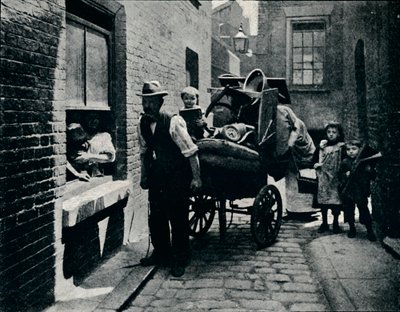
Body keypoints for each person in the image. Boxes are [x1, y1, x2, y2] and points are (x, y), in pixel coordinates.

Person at [137, 80, 202, 277]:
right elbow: (144, 152)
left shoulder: (174, 122)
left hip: (177, 175)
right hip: (157, 176)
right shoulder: (142, 123)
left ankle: (181, 258)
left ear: (160, 102)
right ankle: (161, 252)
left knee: (177, 217)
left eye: (151, 102)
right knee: (156, 216)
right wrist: (144, 176)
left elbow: (191, 152)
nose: (147, 106)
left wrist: (196, 178)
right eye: (144, 102)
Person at [338, 139, 377, 241]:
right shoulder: (345, 162)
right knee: (349, 211)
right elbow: (339, 175)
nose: (351, 151)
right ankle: (352, 228)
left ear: (359, 150)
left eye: (354, 149)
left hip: (361, 190)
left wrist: (369, 170)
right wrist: (345, 175)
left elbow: (373, 176)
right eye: (348, 149)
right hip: (349, 191)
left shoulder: (364, 162)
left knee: (364, 210)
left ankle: (369, 230)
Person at [313, 122, 345, 233]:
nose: (331, 134)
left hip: (336, 177)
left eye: (334, 132)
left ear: (339, 134)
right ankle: (324, 223)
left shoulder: (341, 147)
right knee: (324, 202)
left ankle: (335, 223)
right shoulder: (322, 147)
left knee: (336, 202)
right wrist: (315, 163)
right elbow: (314, 159)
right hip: (324, 178)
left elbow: (345, 161)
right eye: (329, 132)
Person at [75, 112, 116, 177]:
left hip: (95, 174)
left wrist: (89, 157)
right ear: (85, 119)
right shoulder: (78, 134)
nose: (94, 121)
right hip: (77, 175)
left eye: (96, 118)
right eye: (90, 118)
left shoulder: (104, 136)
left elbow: (111, 157)